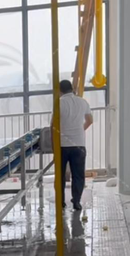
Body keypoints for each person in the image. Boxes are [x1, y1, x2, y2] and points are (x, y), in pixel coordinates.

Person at [58, 79, 93, 211]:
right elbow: (90, 121)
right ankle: (76, 201)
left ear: (60, 90)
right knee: (78, 174)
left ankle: (60, 201)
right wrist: (79, 131)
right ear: (71, 88)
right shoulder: (82, 102)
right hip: (79, 144)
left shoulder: (59, 103)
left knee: (60, 175)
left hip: (63, 145)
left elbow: (53, 125)